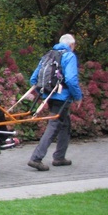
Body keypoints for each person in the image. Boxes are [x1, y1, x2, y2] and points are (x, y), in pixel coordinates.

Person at [28, 34, 83, 171]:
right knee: (54, 125)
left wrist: (42, 92)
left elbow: (33, 79)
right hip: (62, 97)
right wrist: (78, 96)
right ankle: (36, 158)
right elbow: (70, 79)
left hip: (49, 95)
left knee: (65, 124)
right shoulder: (69, 56)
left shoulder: (48, 55)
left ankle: (59, 157)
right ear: (71, 45)